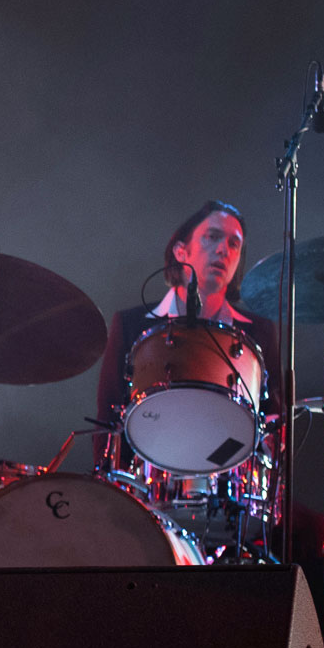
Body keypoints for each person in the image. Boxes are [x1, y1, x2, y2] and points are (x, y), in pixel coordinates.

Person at [92, 200, 282, 476]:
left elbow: (276, 420)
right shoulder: (130, 325)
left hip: (234, 486)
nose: (222, 250)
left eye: (234, 244)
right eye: (213, 237)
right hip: (146, 484)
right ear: (181, 251)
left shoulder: (260, 331)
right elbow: (106, 418)